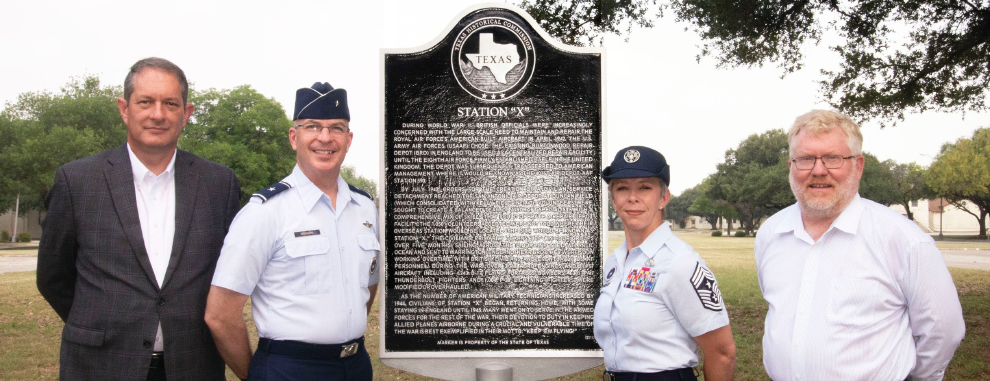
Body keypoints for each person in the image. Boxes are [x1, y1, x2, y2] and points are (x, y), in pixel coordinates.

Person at [36, 57, 242, 381]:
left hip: (192, 366)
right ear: (124, 108)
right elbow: (52, 277)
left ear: (186, 113)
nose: (157, 114)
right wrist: (99, 325)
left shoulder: (220, 185)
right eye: (145, 102)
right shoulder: (76, 182)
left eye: (170, 103)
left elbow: (229, 276)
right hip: (100, 366)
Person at [756, 109, 966, 380]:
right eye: (806, 159)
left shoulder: (903, 240)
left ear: (857, 166)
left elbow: (943, 330)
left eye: (833, 158)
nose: (818, 170)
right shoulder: (771, 233)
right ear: (791, 167)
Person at [204, 82, 380, 381]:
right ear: (293, 136)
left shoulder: (365, 208)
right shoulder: (265, 212)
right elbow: (219, 314)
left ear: (348, 139)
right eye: (312, 126)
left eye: (336, 128)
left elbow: (368, 285)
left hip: (356, 366)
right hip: (289, 368)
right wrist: (259, 376)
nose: (325, 138)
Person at [594, 146, 736, 381]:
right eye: (622, 188)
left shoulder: (680, 262)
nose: (632, 197)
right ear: (613, 199)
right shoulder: (616, 261)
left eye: (645, 187)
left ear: (663, 198)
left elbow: (722, 352)